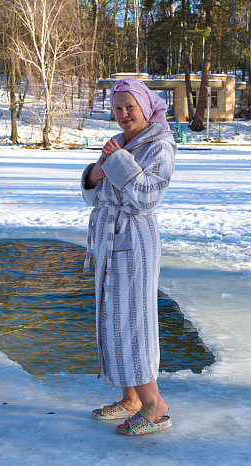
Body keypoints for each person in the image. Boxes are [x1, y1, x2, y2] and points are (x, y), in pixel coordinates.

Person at [80, 77, 177, 436]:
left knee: (133, 319)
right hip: (108, 237)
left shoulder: (159, 145)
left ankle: (155, 405)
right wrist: (99, 169)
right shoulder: (123, 142)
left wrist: (116, 160)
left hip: (133, 238)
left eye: (129, 107)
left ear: (145, 107)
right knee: (111, 317)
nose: (123, 114)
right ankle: (130, 398)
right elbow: (92, 192)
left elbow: (147, 197)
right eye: (117, 108)